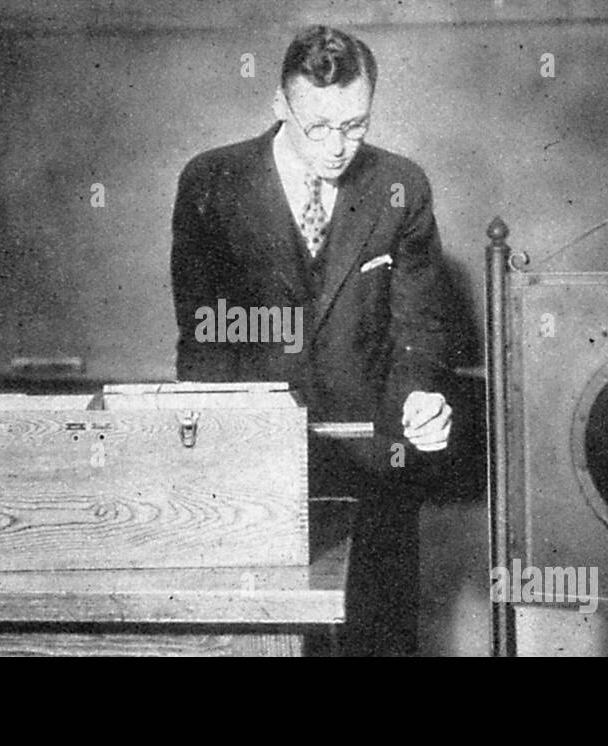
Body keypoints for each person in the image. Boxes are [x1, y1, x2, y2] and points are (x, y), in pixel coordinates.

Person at [170, 25, 456, 656]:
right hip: (254, 473)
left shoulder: (399, 186)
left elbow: (421, 328)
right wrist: (220, 465)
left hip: (375, 467)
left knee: (375, 644)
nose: (337, 147)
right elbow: (201, 341)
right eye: (317, 128)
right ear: (280, 106)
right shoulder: (211, 182)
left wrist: (421, 401)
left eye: (355, 126)